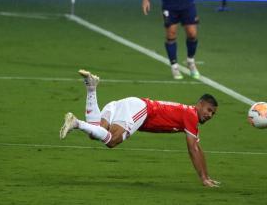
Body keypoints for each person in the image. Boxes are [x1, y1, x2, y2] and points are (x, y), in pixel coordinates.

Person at [60, 69, 220, 187]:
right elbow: (193, 149)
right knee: (112, 141)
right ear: (199, 105)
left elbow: (198, 148)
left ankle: (91, 88)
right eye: (208, 110)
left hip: (123, 104)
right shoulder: (191, 115)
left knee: (95, 132)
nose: (210, 115)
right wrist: (203, 179)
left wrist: (206, 176)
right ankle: (76, 123)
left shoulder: (189, 115)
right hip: (140, 109)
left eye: (213, 113)